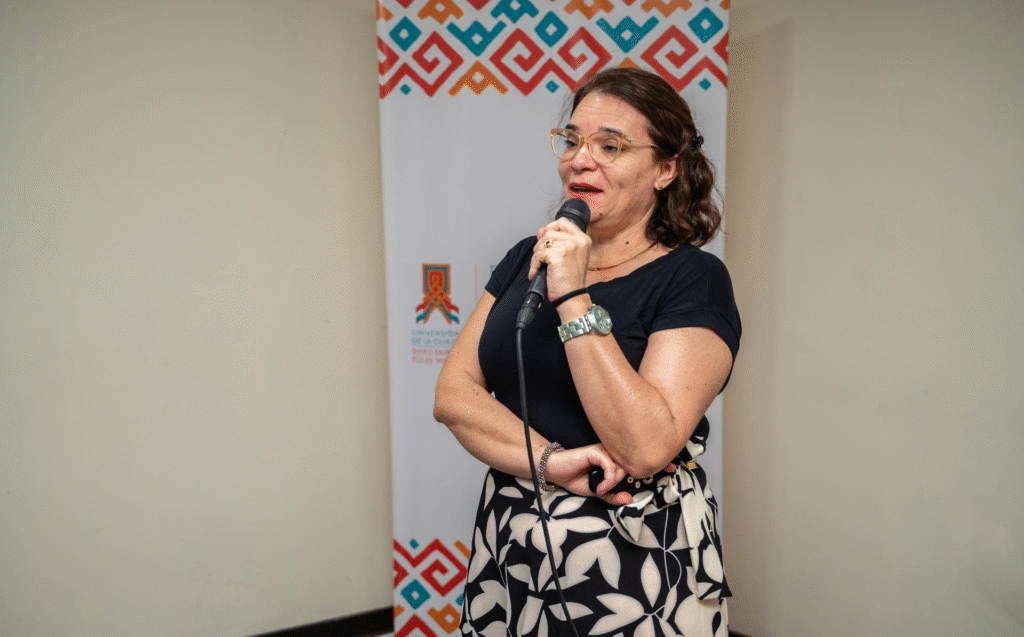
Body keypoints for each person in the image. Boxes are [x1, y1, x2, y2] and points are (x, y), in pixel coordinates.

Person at [433, 67, 741, 637]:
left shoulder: (692, 279)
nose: (580, 159)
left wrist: (573, 294)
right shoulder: (529, 253)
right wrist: (554, 462)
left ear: (667, 169)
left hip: (634, 553)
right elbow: (453, 395)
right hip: (513, 542)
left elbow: (645, 446)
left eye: (611, 146)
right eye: (572, 141)